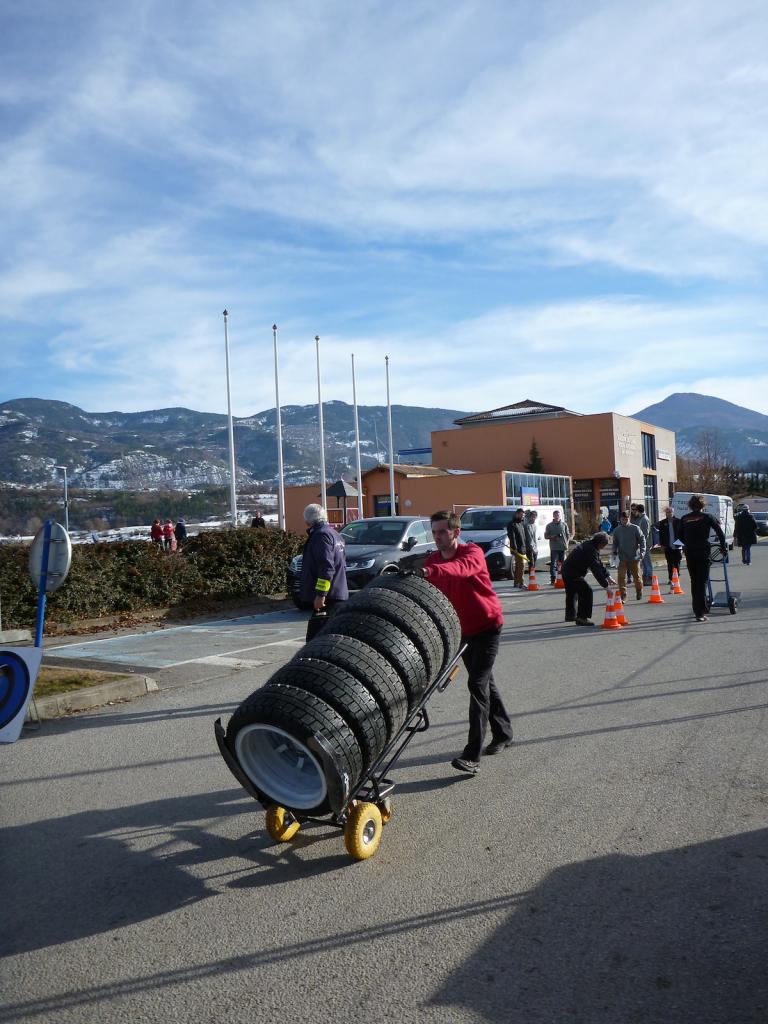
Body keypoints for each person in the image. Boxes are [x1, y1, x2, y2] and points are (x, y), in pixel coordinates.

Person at [419, 510, 512, 775]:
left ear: (456, 532)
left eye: (442, 532)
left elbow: (459, 570)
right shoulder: (433, 559)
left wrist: (428, 570)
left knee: (477, 684)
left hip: (487, 626)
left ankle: (472, 756)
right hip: (462, 631)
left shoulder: (472, 553)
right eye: (434, 532)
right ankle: (503, 732)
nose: (437, 537)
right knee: (485, 684)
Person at [299, 503, 348, 640]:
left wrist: (321, 595)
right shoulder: (335, 535)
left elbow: (326, 568)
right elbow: (342, 564)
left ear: (307, 521)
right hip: (337, 594)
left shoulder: (320, 536)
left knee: (315, 641)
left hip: (328, 599)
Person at [678, 495, 726, 622]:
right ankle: (701, 612)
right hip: (703, 551)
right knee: (702, 582)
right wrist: (723, 548)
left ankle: (697, 611)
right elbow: (720, 533)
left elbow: (679, 537)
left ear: (690, 505)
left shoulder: (684, 518)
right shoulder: (707, 517)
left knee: (694, 582)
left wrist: (687, 543)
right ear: (702, 505)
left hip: (690, 551)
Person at [561, 531, 616, 626]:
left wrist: (608, 576)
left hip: (567, 569)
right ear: (601, 543)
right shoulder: (591, 549)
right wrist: (606, 587)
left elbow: (598, 563)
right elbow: (596, 569)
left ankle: (570, 615)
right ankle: (582, 618)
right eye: (604, 545)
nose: (604, 547)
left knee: (572, 592)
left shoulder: (590, 545)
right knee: (587, 591)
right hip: (573, 572)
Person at [611, 511, 645, 601]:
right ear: (620, 520)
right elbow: (615, 543)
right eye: (623, 519)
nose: (625, 521)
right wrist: (614, 551)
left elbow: (642, 540)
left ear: (629, 519)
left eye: (626, 519)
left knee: (637, 577)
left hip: (634, 557)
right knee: (621, 577)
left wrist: (642, 551)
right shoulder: (617, 530)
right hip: (622, 558)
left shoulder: (635, 528)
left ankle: (639, 590)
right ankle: (623, 595)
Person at [654, 507, 682, 583]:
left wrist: (682, 543)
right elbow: (661, 534)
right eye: (667, 512)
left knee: (677, 562)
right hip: (667, 546)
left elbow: (682, 533)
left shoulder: (678, 521)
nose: (669, 513)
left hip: (677, 546)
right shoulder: (663, 523)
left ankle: (677, 577)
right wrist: (662, 544)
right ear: (666, 513)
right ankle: (670, 578)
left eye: (670, 512)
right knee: (670, 563)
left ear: (673, 513)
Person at [544, 509, 570, 584]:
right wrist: (553, 537)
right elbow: (546, 536)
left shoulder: (564, 524)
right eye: (555, 515)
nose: (557, 516)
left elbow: (568, 535)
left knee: (563, 563)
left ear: (560, 516)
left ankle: (563, 578)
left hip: (563, 547)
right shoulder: (549, 525)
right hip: (554, 547)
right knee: (553, 563)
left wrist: (566, 543)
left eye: (558, 515)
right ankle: (553, 579)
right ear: (553, 516)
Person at [631, 503, 654, 584]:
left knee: (647, 562)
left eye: (635, 510)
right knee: (644, 562)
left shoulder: (644, 519)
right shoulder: (640, 518)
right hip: (641, 544)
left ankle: (649, 578)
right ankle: (645, 577)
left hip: (645, 545)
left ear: (638, 511)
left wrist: (640, 542)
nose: (634, 512)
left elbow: (645, 534)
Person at [506, 508, 528, 589]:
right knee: (521, 566)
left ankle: (516, 583)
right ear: (517, 514)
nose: (522, 517)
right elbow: (512, 537)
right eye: (521, 515)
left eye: (523, 515)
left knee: (519, 566)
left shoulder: (521, 524)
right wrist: (514, 548)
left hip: (523, 548)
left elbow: (523, 537)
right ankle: (521, 583)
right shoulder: (512, 524)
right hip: (517, 549)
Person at [523, 509, 539, 578]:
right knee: (531, 563)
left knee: (534, 563)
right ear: (529, 517)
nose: (533, 518)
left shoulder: (534, 525)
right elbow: (529, 539)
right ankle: (531, 578)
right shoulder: (527, 525)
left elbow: (534, 538)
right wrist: (533, 549)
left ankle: (532, 577)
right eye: (532, 517)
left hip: (534, 547)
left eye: (534, 517)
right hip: (529, 548)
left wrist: (536, 548)